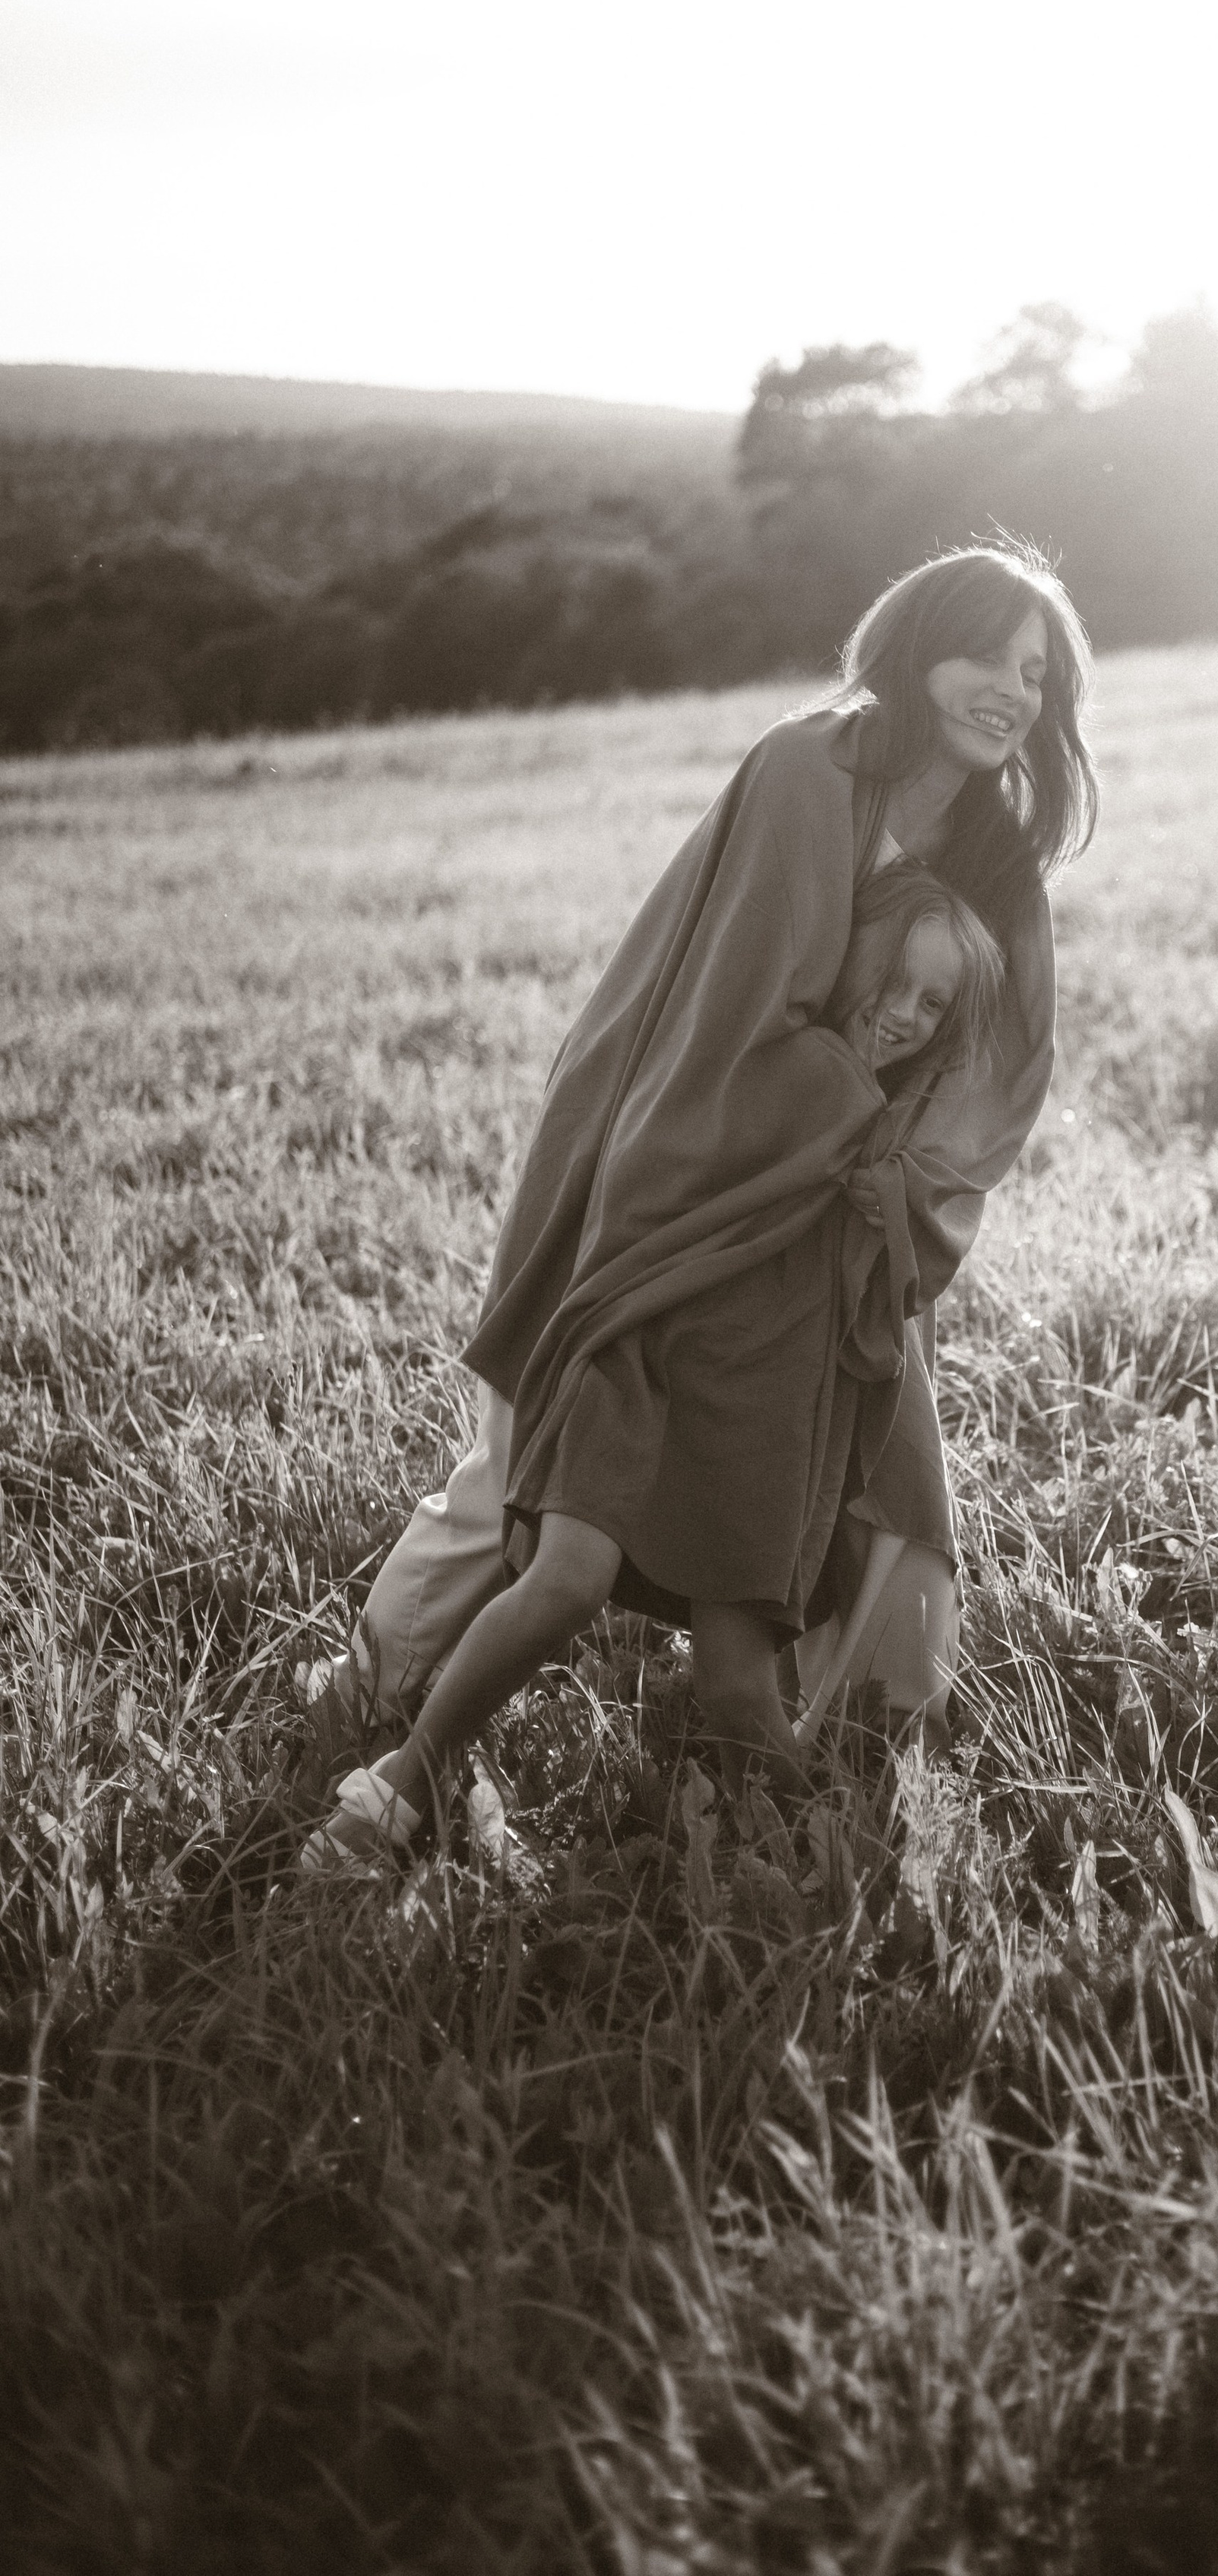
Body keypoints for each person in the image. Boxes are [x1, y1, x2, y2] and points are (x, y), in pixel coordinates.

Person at [301, 540, 1096, 1868]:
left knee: (879, 1461)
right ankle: (376, 1702)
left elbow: (1005, 1067)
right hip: (672, 1131)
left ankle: (834, 1740)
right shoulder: (814, 768)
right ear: (914, 647)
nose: (1011, 692)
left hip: (849, 1201)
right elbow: (749, 1010)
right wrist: (854, 1141)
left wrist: (903, 1198)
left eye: (1037, 673)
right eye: (986, 655)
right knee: (524, 1457)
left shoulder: (996, 855)